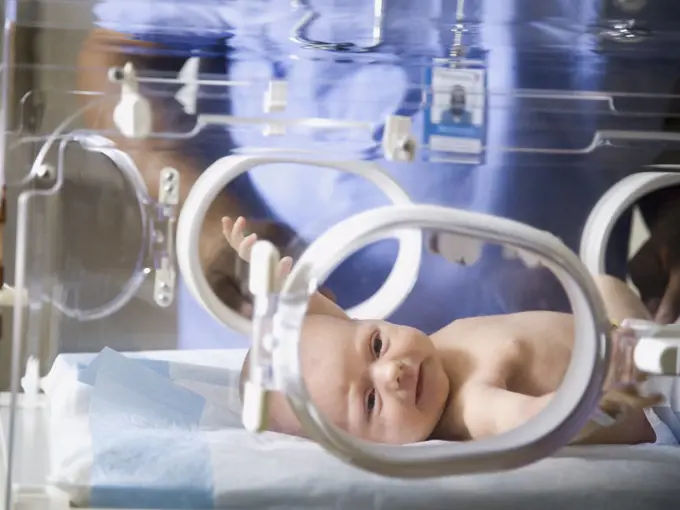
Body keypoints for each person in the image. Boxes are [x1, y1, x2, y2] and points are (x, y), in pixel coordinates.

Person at [78, 0, 680, 351]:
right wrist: (210, 224)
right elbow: (120, 58)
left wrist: (673, 214)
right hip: (283, 338)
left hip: (564, 360)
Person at [226, 215, 668, 446]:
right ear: (361, 448)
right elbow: (540, 421)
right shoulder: (472, 407)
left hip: (626, 335)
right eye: (370, 401)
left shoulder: (381, 352)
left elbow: (337, 329)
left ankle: (658, 324)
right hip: (650, 396)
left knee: (604, 285)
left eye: (377, 345)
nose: (391, 373)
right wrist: (602, 400)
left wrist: (273, 282)